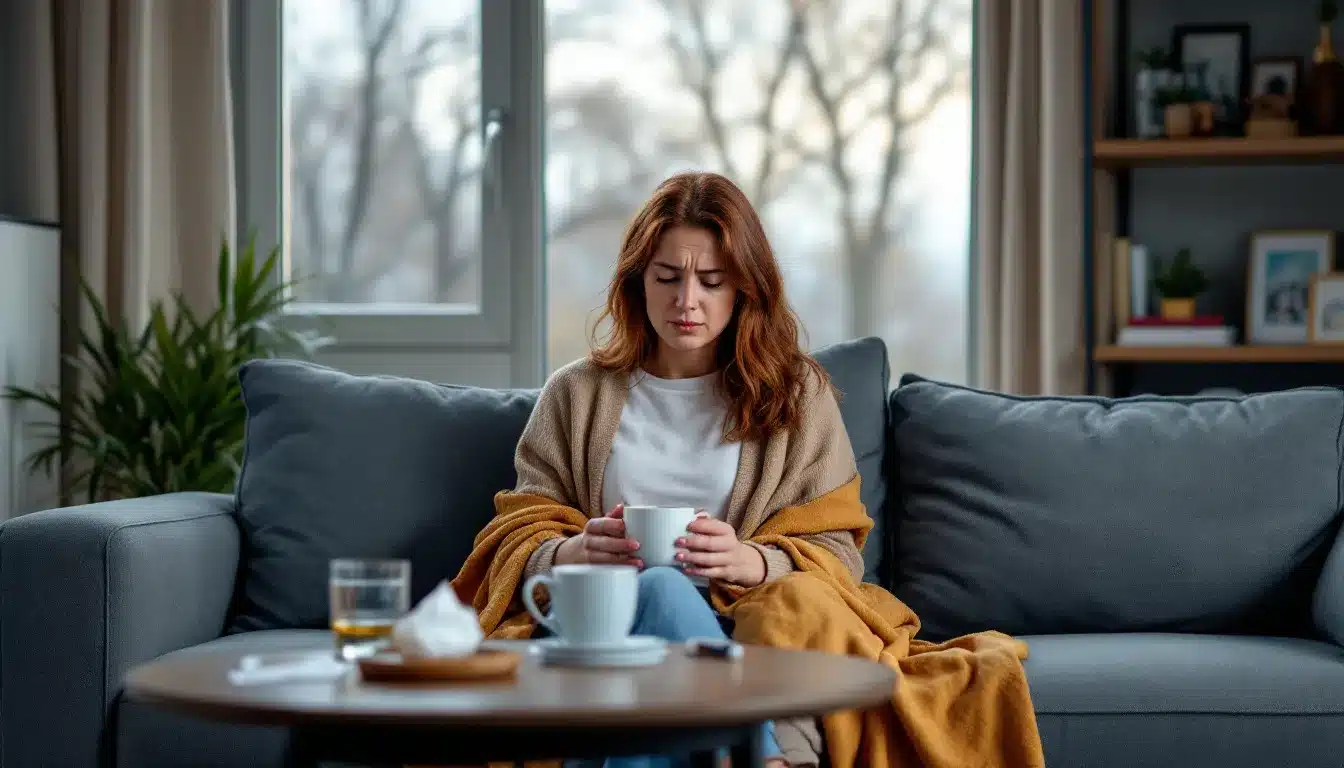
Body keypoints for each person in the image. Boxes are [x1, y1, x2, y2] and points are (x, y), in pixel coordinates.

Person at [452, 171, 869, 768]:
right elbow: (517, 532)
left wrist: (751, 561)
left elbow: (840, 550)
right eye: (667, 278)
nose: (686, 302)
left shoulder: (796, 396)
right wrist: (574, 553)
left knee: (660, 621)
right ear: (637, 282)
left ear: (745, 288)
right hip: (601, 633)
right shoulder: (575, 393)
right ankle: (763, 755)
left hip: (739, 637)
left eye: (712, 281)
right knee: (657, 588)